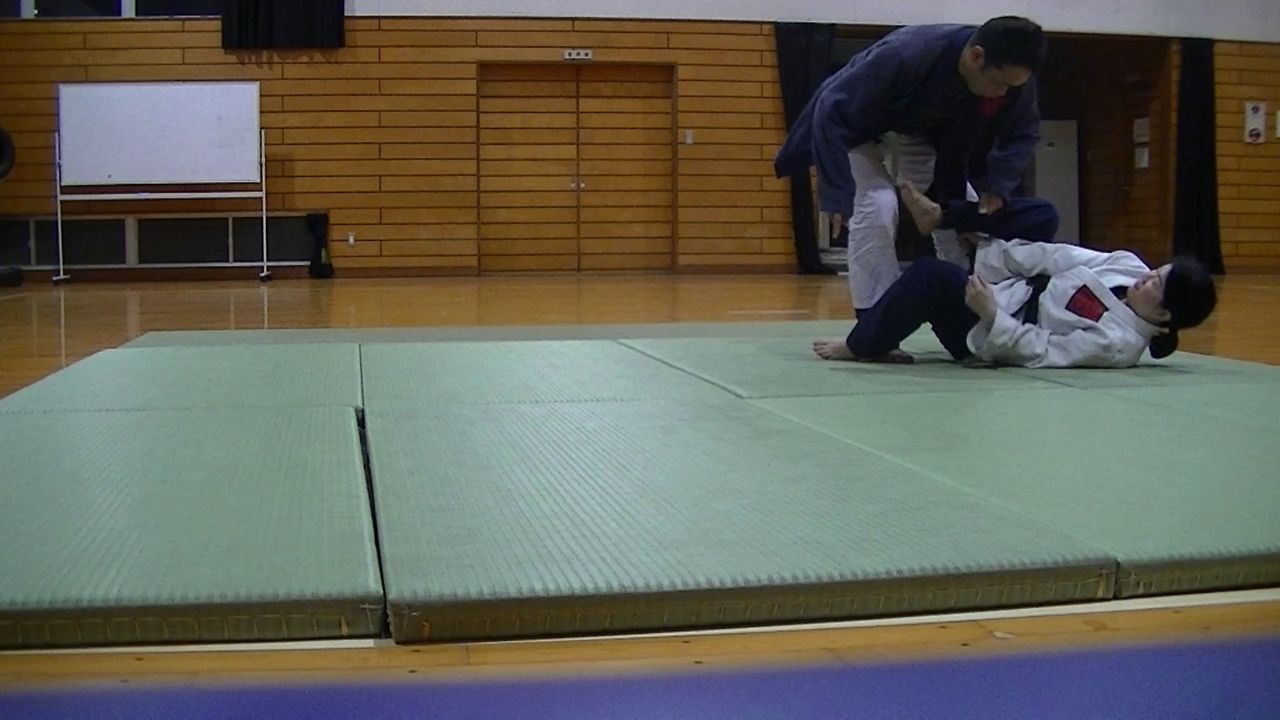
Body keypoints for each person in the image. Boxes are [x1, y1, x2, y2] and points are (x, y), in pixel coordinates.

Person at [775, 16, 1047, 317]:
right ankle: (874, 319)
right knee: (877, 205)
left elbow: (1022, 133)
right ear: (975, 56)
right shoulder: (907, 53)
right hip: (859, 128)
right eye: (998, 83)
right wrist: (837, 190)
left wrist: (998, 186)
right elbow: (831, 110)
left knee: (961, 214)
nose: (1003, 93)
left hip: (922, 133)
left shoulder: (1012, 77)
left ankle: (966, 306)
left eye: (1011, 86)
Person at [811, 229, 1218, 368]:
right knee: (1031, 218)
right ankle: (878, 342)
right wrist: (992, 255)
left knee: (930, 276)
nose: (1146, 276)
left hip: (996, 337)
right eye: (1157, 271)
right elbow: (1056, 256)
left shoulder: (1119, 344)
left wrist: (991, 316)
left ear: (1164, 314)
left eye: (1156, 285)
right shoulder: (1128, 266)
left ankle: (860, 345)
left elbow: (1044, 350)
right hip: (1006, 295)